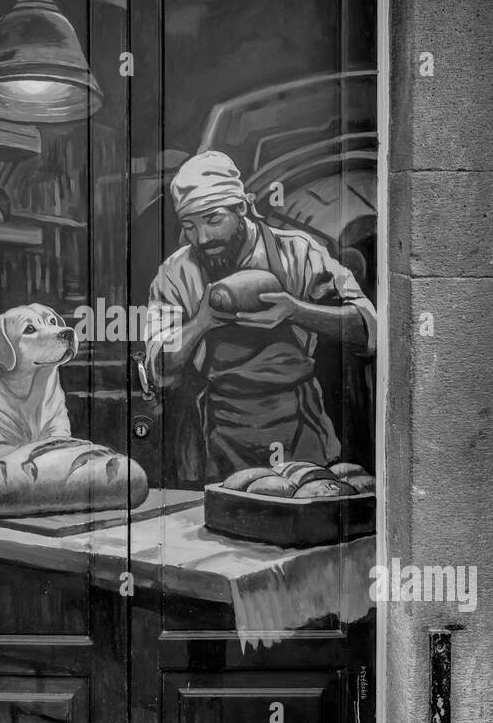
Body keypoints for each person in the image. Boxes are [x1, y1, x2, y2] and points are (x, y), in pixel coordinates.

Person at [144, 151, 377, 484]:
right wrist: (203, 321)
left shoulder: (299, 253)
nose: (203, 239)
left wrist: (296, 310)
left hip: (299, 427)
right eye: (190, 226)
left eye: (213, 220)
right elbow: (157, 367)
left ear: (242, 207)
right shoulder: (173, 275)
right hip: (219, 435)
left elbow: (366, 326)